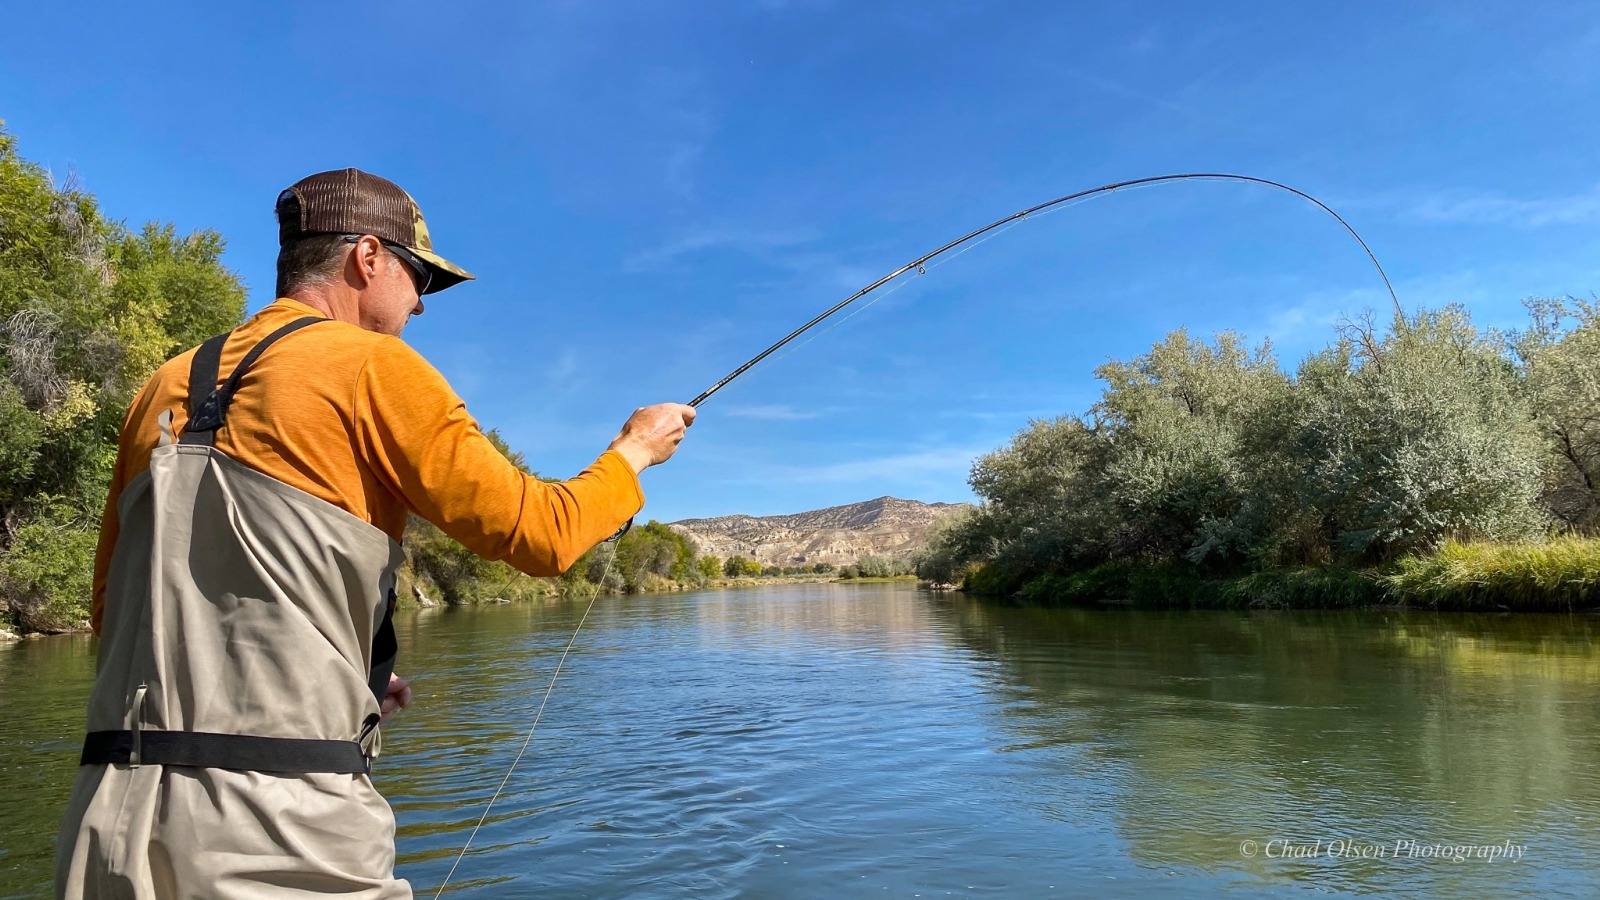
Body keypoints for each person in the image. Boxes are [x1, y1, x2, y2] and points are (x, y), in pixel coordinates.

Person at [55, 168, 695, 898]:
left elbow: (116, 612)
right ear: (367, 257)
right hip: (276, 834)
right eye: (418, 275)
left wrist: (336, 667)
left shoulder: (163, 385)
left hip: (102, 829)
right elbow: (541, 535)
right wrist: (633, 453)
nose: (421, 302)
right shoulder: (373, 366)